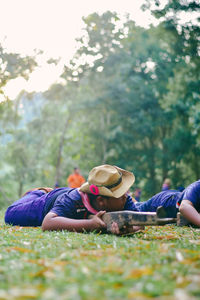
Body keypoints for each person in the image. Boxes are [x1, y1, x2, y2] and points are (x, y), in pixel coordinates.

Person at [4, 165, 142, 235]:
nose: (126, 196)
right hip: (48, 202)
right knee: (10, 215)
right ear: (101, 201)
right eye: (121, 193)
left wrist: (128, 229)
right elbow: (47, 223)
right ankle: (38, 192)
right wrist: (90, 224)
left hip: (64, 193)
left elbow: (140, 222)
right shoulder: (73, 200)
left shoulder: (123, 198)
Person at [136, 180, 200, 227]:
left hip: (174, 196)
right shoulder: (197, 186)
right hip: (163, 201)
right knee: (135, 209)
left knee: (138, 205)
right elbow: (184, 207)